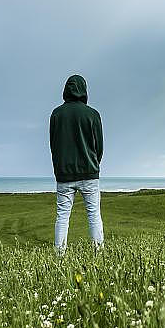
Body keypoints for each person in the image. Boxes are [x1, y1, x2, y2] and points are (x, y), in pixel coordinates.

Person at [49, 74, 104, 254]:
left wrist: (59, 167)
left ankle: (60, 256)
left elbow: (53, 145)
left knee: (62, 216)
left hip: (64, 175)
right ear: (84, 90)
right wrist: (94, 164)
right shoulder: (93, 114)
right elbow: (99, 147)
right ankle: (98, 254)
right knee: (94, 215)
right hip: (89, 172)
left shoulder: (56, 114)